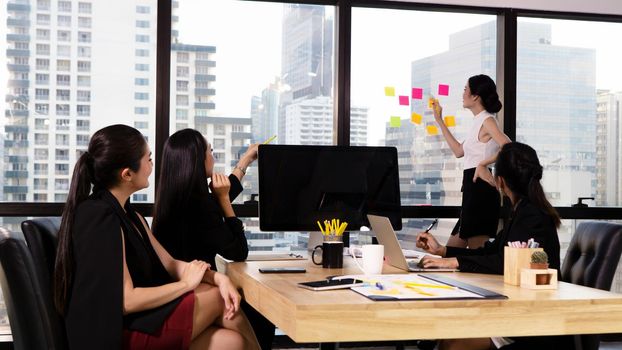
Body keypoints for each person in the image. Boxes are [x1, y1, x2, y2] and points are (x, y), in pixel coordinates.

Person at [54, 125, 260, 350]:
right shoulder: (98, 216)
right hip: (113, 335)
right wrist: (186, 284)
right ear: (127, 174)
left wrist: (218, 278)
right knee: (221, 299)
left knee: (231, 342)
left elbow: (171, 263)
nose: (152, 166)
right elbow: (127, 300)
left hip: (136, 322)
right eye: (148, 159)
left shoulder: (131, 215)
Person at [416, 142, 571, 350]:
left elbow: (502, 261)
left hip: (532, 322)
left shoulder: (531, 215)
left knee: (453, 342)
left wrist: (453, 262)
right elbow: (491, 250)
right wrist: (443, 252)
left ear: (500, 181)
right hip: (519, 312)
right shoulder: (522, 210)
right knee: (449, 332)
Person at [152, 128, 275, 350]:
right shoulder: (200, 207)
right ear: (199, 159)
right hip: (196, 294)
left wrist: (245, 160)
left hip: (174, 296)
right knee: (262, 320)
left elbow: (218, 197)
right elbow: (238, 252)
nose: (213, 156)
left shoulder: (175, 197)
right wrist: (225, 202)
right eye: (210, 151)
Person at [432, 74, 511, 249]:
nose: (463, 93)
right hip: (471, 190)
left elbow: (508, 147)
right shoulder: (477, 121)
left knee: (478, 256)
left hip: (481, 191)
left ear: (475, 96)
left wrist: (483, 164)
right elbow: (459, 151)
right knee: (451, 252)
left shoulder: (487, 120)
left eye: (465, 89)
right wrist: (439, 120)